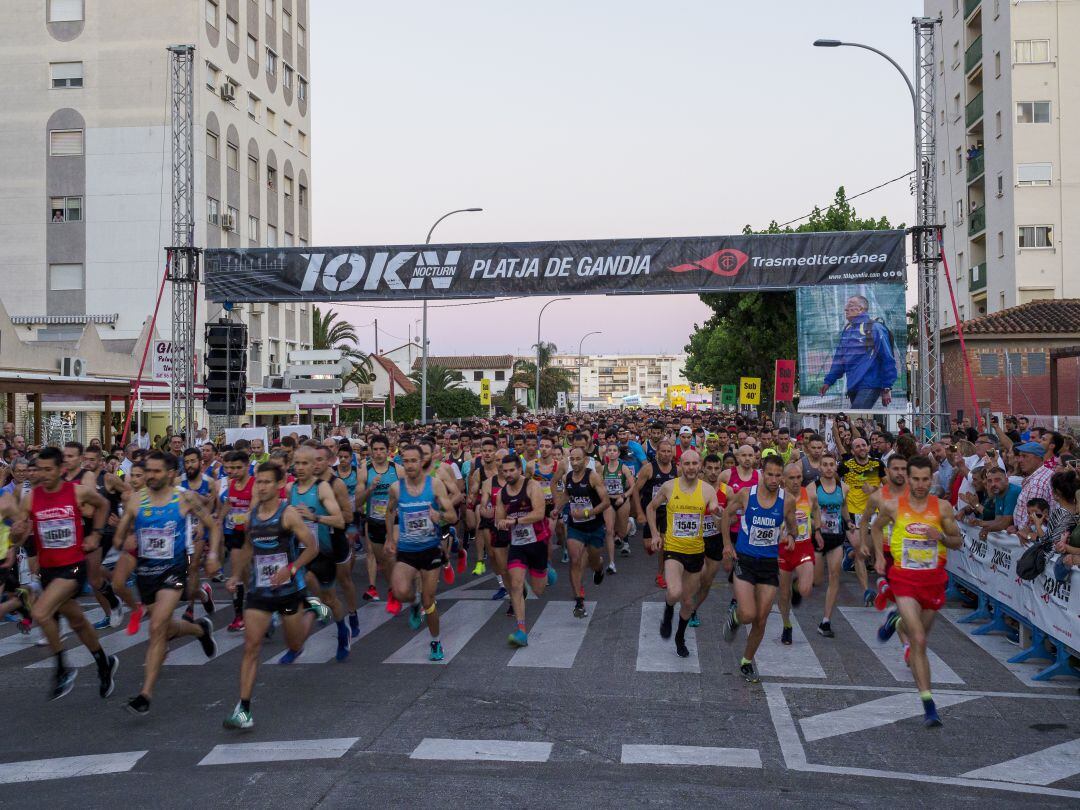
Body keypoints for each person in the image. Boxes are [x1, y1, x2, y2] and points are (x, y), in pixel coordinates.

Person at [223, 462, 331, 730]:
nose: (261, 487)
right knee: (251, 646)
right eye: (258, 482)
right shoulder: (252, 516)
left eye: (267, 482)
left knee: (294, 646)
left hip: (288, 591)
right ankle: (244, 708)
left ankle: (313, 609)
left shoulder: (289, 514)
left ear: (280, 484)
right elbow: (249, 548)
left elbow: (312, 547)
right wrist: (236, 575)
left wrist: (291, 568)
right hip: (260, 591)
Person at [113, 452, 221, 715]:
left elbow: (213, 526)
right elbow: (119, 537)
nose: (150, 476)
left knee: (158, 627)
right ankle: (198, 630)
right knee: (162, 624)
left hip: (173, 571)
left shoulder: (184, 498)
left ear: (171, 473)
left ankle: (145, 694)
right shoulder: (136, 500)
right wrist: (123, 540)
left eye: (156, 471)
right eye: (147, 470)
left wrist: (214, 554)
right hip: (146, 574)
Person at [8, 447, 120, 700]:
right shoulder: (31, 498)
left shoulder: (77, 491)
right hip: (49, 570)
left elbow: (103, 504)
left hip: (74, 566)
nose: (44, 474)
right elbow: (20, 535)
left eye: (49, 470)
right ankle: (104, 663)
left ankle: (62, 669)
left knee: (40, 612)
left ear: (61, 470)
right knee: (78, 622)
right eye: (40, 469)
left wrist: (96, 534)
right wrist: (17, 533)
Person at [872, 456, 963, 728]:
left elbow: (958, 541)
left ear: (931, 479)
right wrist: (878, 556)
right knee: (919, 640)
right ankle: (929, 704)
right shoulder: (893, 506)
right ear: (908, 479)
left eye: (926, 479)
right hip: (904, 580)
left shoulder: (943, 508)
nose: (921, 485)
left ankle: (895, 621)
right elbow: (876, 528)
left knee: (919, 632)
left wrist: (943, 538)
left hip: (933, 581)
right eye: (916, 479)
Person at [720, 454, 798, 683]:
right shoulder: (746, 494)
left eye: (777, 475)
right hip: (744, 559)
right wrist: (727, 544)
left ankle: (746, 661)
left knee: (761, 618)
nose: (774, 479)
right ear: (762, 473)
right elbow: (726, 515)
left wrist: (791, 536)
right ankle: (734, 616)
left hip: (768, 564)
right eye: (770, 474)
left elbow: (793, 526)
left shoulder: (788, 500)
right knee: (748, 614)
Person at [384, 444, 458, 661]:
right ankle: (413, 602)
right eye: (405, 461)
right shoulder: (396, 489)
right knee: (399, 592)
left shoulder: (434, 485)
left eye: (413, 460)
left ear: (421, 462)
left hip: (430, 549)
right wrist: (390, 538)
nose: (409, 465)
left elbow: (453, 515)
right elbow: (388, 512)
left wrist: (440, 516)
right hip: (407, 550)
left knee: (429, 600)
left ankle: (435, 642)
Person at [646, 449, 720, 658]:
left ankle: (680, 637)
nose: (691, 468)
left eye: (694, 464)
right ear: (680, 465)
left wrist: (719, 515)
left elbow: (715, 512)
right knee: (675, 592)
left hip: (696, 552)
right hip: (674, 549)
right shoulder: (669, 487)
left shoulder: (707, 490)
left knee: (688, 603)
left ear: (700, 466)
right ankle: (668, 611)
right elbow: (651, 508)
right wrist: (654, 534)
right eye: (686, 464)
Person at [288, 446, 348, 662]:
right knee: (299, 597)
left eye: (305, 463)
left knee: (330, 599)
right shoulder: (290, 489)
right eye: (297, 463)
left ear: (315, 465)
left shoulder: (322, 488)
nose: (301, 468)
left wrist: (315, 518)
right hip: (301, 553)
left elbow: (340, 520)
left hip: (323, 552)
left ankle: (342, 630)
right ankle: (295, 646)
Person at [496, 453, 555, 647]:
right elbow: (499, 519)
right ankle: (521, 631)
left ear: (520, 469)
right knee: (515, 584)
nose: (508, 474)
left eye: (512, 470)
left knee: (538, 590)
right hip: (518, 545)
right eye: (505, 471)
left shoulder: (532, 486)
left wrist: (514, 521)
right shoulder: (503, 494)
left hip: (537, 542)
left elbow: (539, 513)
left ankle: (546, 567)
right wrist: (501, 523)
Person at [818, 294, 899, 409]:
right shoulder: (847, 330)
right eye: (846, 305)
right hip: (853, 385)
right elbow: (839, 360)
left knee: (855, 415)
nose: (846, 308)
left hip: (870, 384)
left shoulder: (875, 328)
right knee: (858, 417)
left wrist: (887, 387)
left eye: (850, 305)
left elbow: (887, 358)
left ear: (861, 309)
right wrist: (828, 382)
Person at [560, 446, 611, 618]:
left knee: (594, 561)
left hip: (594, 527)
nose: (574, 463)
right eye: (572, 459)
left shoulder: (593, 476)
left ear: (585, 460)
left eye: (578, 459)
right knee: (575, 560)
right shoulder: (568, 477)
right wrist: (557, 508)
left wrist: (587, 513)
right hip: (576, 527)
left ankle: (599, 568)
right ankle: (579, 601)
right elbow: (566, 495)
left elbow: (606, 502)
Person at [777, 462, 820, 645]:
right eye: (791, 478)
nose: (796, 481)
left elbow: (816, 511)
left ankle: (798, 587)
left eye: (798, 477)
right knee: (783, 594)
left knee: (806, 588)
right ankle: (787, 625)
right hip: (782, 549)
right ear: (783, 480)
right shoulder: (777, 498)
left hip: (803, 546)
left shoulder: (809, 494)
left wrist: (817, 530)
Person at [813, 453, 850, 637]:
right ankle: (798, 585)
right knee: (817, 581)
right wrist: (816, 528)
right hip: (818, 537)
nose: (828, 468)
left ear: (835, 467)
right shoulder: (812, 488)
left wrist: (849, 521)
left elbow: (844, 506)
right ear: (819, 467)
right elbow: (809, 511)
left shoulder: (843, 487)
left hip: (836, 536)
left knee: (834, 576)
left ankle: (826, 620)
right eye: (825, 464)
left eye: (831, 465)